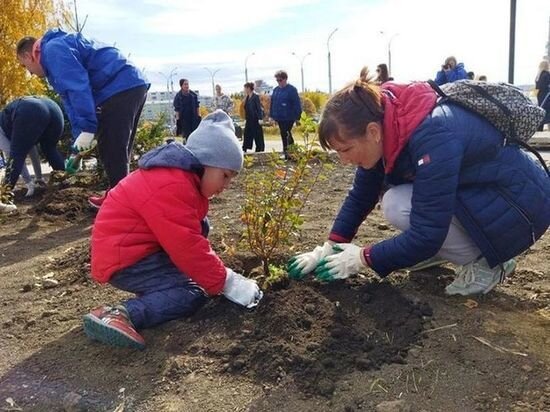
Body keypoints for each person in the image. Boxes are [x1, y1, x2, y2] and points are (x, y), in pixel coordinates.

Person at [288, 67, 550, 296]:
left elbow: (427, 234)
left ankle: (490, 263)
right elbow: (360, 196)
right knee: (399, 202)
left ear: (372, 131)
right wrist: (329, 247)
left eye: (345, 150)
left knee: (397, 204)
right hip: (482, 196)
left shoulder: (433, 134)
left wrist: (363, 258)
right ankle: (451, 250)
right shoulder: (389, 127)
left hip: (518, 208)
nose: (344, 160)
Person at [83, 110, 263, 349]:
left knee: (201, 227)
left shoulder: (178, 179)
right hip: (125, 259)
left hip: (131, 251)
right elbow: (186, 246)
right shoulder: (171, 185)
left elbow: (189, 238)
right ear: (206, 162)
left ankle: (157, 291)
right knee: (192, 294)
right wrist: (227, 282)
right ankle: (120, 314)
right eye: (225, 176)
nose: (226, 185)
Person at [16, 29, 150, 209]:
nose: (30, 73)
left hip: (119, 86)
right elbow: (71, 102)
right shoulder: (54, 55)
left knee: (112, 147)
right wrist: (77, 147)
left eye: (25, 67)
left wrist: (88, 127)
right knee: (117, 148)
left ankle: (121, 205)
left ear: (27, 55)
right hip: (128, 84)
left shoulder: (53, 51)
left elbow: (78, 88)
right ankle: (119, 196)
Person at [0, 96, 64, 212]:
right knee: (50, 149)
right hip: (53, 107)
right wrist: (38, 178)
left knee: (17, 154)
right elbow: (31, 151)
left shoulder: (3, 128)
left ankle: (3, 199)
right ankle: (66, 185)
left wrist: (5, 189)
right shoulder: (21, 128)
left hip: (29, 110)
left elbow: (14, 156)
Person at [269, 70, 302, 159]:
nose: (279, 82)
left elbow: (297, 104)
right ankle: (289, 152)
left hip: (289, 116)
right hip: (279, 117)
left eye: (280, 80)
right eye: (277, 80)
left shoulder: (291, 90)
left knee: (286, 133)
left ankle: (289, 152)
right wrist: (271, 116)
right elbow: (272, 104)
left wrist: (298, 117)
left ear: (285, 79)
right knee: (284, 134)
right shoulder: (276, 90)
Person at [242, 82, 265, 153]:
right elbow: (246, 108)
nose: (244, 89)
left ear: (249, 88)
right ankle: (245, 148)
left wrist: (260, 118)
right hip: (249, 119)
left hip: (255, 119)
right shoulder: (247, 97)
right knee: (247, 133)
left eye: (245, 88)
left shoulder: (255, 96)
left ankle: (260, 148)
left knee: (257, 134)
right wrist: (245, 118)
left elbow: (259, 108)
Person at [535, 60, 550, 131]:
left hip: (540, 95)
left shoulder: (538, 75)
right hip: (547, 94)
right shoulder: (547, 74)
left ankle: (539, 128)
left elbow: (537, 86)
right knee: (547, 112)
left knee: (542, 111)